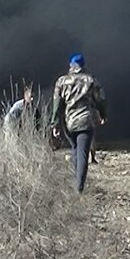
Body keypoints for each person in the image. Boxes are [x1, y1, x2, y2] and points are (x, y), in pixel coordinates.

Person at [49, 53, 107, 193]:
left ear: (71, 66)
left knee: (75, 149)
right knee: (82, 153)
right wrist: (103, 114)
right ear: (83, 66)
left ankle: (77, 183)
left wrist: (54, 124)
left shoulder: (61, 82)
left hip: (69, 122)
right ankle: (79, 189)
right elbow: (100, 99)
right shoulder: (91, 80)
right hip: (86, 121)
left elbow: (57, 105)